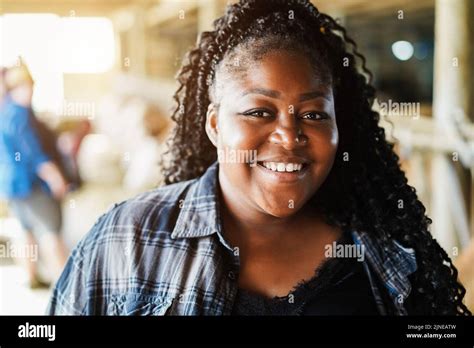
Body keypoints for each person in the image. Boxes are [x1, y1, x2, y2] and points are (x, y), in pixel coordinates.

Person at [48, 0, 470, 315]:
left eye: (312, 114)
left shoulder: (388, 255)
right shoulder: (126, 240)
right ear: (214, 124)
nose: (289, 135)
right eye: (259, 112)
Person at [0, 61, 69, 288]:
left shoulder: (5, 110)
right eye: (27, 87)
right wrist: (55, 177)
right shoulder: (20, 114)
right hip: (30, 185)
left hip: (11, 184)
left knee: (25, 229)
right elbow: (33, 153)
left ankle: (31, 277)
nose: (30, 91)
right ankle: (65, 284)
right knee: (50, 231)